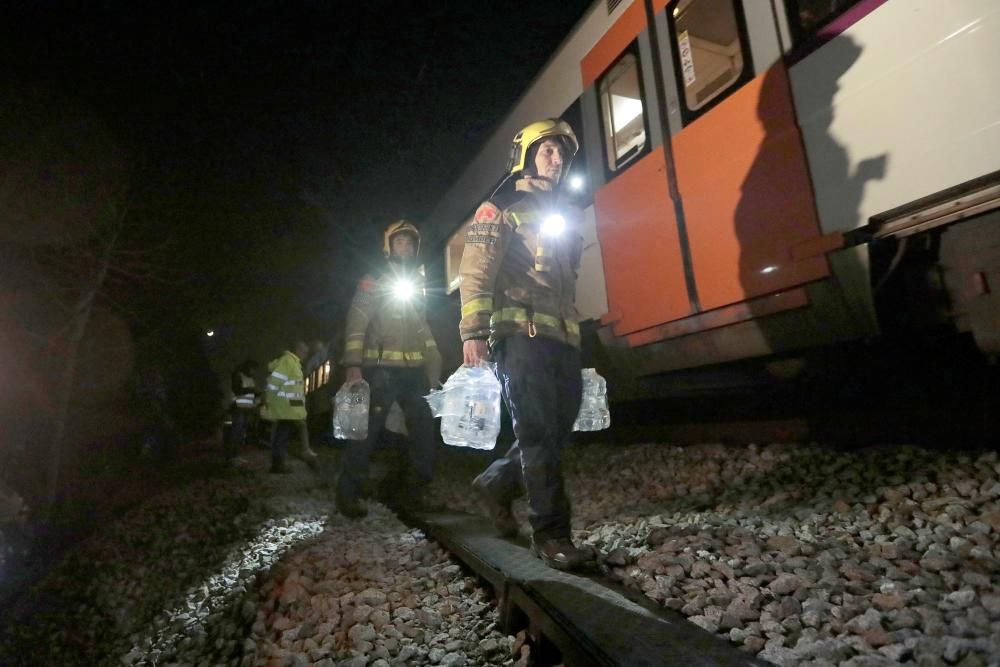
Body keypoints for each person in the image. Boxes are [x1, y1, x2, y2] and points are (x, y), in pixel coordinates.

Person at [458, 118, 592, 571]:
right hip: (521, 337)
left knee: (559, 428)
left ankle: (496, 483)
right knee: (537, 433)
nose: (556, 160)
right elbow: (475, 271)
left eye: (562, 153)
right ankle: (551, 534)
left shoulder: (567, 213)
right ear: (527, 156)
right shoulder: (500, 207)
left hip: (563, 338)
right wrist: (474, 332)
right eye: (548, 151)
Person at [336, 220, 442, 518]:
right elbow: (357, 321)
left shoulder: (418, 286)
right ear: (389, 246)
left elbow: (423, 329)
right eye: (399, 242)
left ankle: (414, 492)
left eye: (410, 243)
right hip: (380, 369)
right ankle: (348, 493)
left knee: (423, 428)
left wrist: (434, 368)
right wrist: (354, 365)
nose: (405, 247)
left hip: (413, 372)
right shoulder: (373, 280)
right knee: (366, 431)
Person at [261, 341, 309, 474]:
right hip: (285, 409)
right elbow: (275, 383)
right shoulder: (288, 361)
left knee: (281, 437)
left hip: (288, 408)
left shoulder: (293, 363)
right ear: (298, 349)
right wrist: (268, 399)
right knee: (281, 438)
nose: (306, 354)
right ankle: (278, 466)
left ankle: (278, 464)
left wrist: (300, 411)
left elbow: (293, 390)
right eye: (305, 351)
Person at [225, 358, 259, 464]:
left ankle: (237, 455)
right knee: (235, 433)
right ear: (248, 367)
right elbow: (237, 390)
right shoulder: (238, 375)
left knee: (241, 434)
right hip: (238, 409)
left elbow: (251, 394)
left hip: (246, 410)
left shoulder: (251, 379)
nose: (254, 372)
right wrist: (251, 391)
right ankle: (231, 457)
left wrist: (258, 394)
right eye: (253, 369)